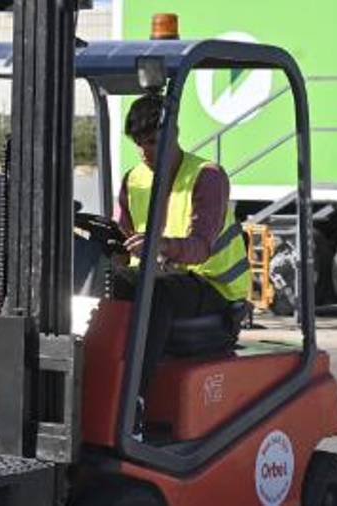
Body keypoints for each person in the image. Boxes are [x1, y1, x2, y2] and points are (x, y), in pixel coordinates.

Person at [113, 94, 250, 434]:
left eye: (155, 142)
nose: (146, 152)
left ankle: (134, 403)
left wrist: (161, 246)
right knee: (106, 283)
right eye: (140, 144)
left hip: (214, 289)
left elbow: (201, 247)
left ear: (174, 133)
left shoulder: (207, 177)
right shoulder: (133, 179)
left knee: (155, 293)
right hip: (163, 277)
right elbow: (122, 236)